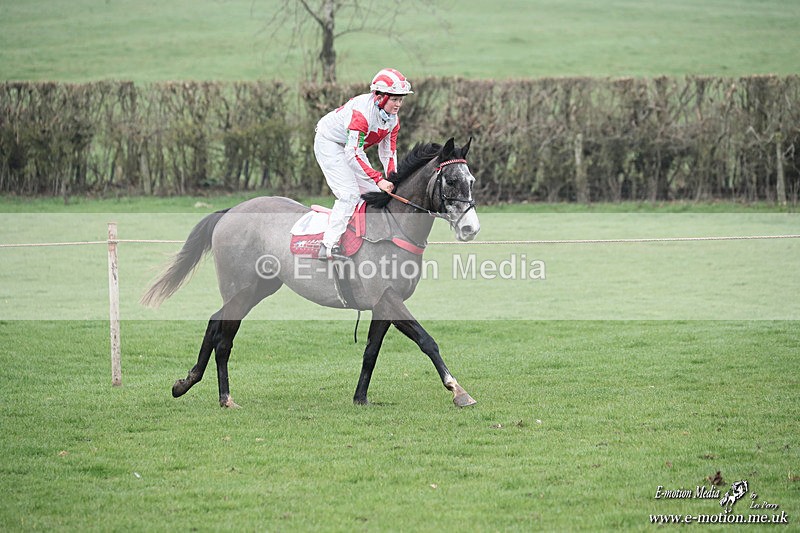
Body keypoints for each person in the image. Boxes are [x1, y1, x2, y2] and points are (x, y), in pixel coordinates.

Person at [313, 68, 413, 259]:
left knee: (376, 195)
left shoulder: (392, 120)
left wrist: (393, 179)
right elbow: (352, 154)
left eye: (401, 99)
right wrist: (378, 179)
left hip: (351, 149)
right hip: (330, 144)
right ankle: (328, 244)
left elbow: (388, 153)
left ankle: (365, 239)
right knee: (349, 194)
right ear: (380, 97)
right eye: (394, 99)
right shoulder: (362, 114)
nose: (399, 104)